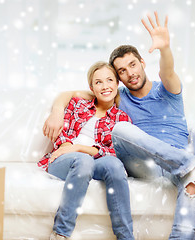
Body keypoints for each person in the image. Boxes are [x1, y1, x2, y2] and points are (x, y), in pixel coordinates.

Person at [43, 12, 195, 240]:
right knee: (120, 129)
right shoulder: (117, 95)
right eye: (122, 71)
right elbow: (75, 93)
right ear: (118, 78)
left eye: (133, 65)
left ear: (143, 63)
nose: (130, 73)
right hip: (144, 163)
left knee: (193, 182)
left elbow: (168, 71)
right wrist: (57, 111)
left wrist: (165, 48)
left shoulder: (168, 90)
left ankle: (193, 171)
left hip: (176, 160)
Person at [38, 61, 134, 240]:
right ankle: (60, 233)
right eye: (98, 82)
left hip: (94, 162)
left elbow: (113, 151)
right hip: (64, 159)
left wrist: (80, 148)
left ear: (117, 84)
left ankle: (126, 237)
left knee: (114, 164)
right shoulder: (77, 105)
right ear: (91, 87)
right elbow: (62, 134)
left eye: (109, 80)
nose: (105, 86)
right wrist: (70, 148)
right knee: (83, 161)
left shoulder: (122, 119)